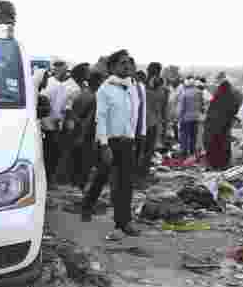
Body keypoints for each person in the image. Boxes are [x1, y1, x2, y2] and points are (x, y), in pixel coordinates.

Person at [82, 49, 141, 240]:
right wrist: (104, 145)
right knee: (102, 177)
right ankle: (87, 205)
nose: (127, 66)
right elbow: (101, 118)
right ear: (113, 67)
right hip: (109, 141)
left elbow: (134, 115)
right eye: (122, 63)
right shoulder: (105, 89)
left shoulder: (131, 86)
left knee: (125, 183)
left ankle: (123, 222)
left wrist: (136, 136)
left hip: (127, 141)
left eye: (128, 62)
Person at [63, 63, 97, 191]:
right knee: (81, 161)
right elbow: (69, 110)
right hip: (79, 132)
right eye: (86, 72)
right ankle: (77, 185)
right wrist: (79, 125)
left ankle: (75, 183)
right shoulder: (81, 92)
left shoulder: (83, 90)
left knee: (77, 159)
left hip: (77, 131)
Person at [41, 60, 71, 185]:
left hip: (57, 126)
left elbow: (63, 106)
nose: (67, 73)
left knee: (54, 154)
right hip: (47, 126)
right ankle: (47, 179)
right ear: (58, 69)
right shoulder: (49, 84)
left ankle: (51, 178)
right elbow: (43, 103)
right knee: (48, 154)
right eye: (65, 70)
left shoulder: (62, 85)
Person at [140, 62, 169, 183]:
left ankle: (141, 173)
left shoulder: (141, 85)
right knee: (147, 150)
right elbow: (162, 109)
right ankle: (142, 174)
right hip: (151, 122)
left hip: (142, 122)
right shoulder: (160, 88)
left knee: (143, 150)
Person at [205, 73, 241, 170]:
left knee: (215, 143)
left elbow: (211, 110)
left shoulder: (218, 95)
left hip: (215, 125)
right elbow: (234, 109)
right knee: (224, 143)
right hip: (225, 124)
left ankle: (214, 163)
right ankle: (223, 163)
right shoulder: (232, 95)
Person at [176, 77, 201, 158]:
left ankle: (184, 152)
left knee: (184, 136)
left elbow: (181, 107)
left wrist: (179, 117)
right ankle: (192, 151)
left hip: (186, 118)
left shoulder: (184, 93)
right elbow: (201, 105)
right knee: (193, 136)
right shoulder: (199, 92)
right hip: (196, 117)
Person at [195, 77, 210, 158]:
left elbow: (207, 105)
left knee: (200, 134)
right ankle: (200, 149)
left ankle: (200, 150)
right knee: (200, 134)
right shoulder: (205, 93)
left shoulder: (204, 93)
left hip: (202, 117)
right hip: (201, 116)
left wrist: (203, 108)